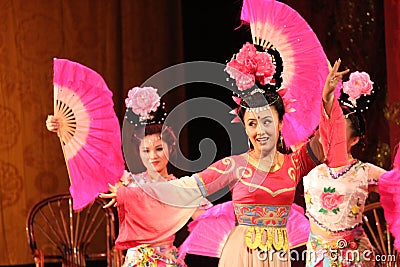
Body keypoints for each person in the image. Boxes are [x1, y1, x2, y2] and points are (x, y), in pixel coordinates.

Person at [99, 54, 350, 267]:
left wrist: (327, 98)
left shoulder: (296, 163)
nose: (260, 130)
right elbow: (185, 187)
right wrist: (130, 194)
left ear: (281, 122)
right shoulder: (235, 166)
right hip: (242, 254)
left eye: (267, 121)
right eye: (252, 123)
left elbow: (326, 145)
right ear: (244, 126)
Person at [47, 86, 201, 267]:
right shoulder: (128, 182)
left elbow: (204, 218)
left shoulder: (179, 187)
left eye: (159, 149)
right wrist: (65, 131)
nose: (153, 156)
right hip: (135, 262)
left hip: (167, 261)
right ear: (138, 152)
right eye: (146, 150)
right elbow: (92, 168)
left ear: (171, 147)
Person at [302, 71, 393, 267]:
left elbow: (395, 186)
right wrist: (326, 96)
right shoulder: (312, 165)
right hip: (317, 257)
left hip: (352, 258)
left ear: (354, 140)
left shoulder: (364, 171)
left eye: (340, 134)